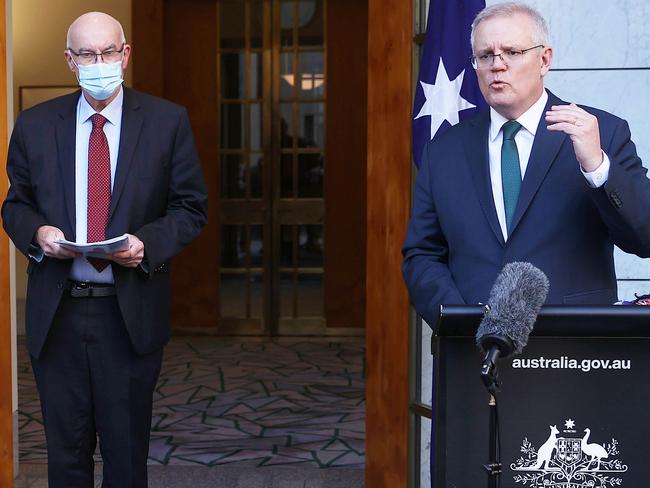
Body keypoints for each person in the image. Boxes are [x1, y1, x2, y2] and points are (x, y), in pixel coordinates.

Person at [2, 12, 208, 488]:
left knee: (125, 456)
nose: (100, 63)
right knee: (66, 457)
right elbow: (15, 205)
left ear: (126, 55)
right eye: (87, 55)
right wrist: (38, 234)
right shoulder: (35, 125)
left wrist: (146, 245)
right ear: (70, 62)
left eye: (109, 52)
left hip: (128, 313)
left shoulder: (165, 121)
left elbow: (191, 207)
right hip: (59, 315)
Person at [402, 2, 650, 326]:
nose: (497, 65)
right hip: (472, 353)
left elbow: (643, 238)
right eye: (485, 55)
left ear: (544, 59)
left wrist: (598, 167)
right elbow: (422, 256)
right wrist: (458, 322)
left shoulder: (601, 132)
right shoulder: (443, 151)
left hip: (573, 350)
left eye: (512, 52)